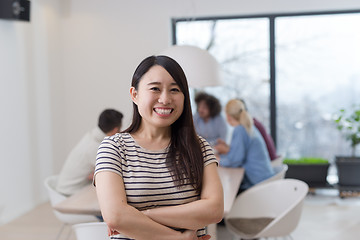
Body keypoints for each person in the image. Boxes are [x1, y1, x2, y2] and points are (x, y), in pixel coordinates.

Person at [94, 55, 224, 240]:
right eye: (155, 88)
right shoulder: (113, 147)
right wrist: (179, 238)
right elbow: (116, 216)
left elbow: (214, 210)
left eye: (174, 90)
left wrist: (144, 215)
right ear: (135, 94)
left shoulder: (200, 147)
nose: (165, 99)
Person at [56, 109, 123, 196]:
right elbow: (110, 174)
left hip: (65, 186)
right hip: (69, 193)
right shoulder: (96, 147)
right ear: (115, 129)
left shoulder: (90, 136)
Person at [214, 99, 274, 193]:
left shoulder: (240, 130)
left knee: (226, 190)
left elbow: (235, 161)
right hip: (264, 177)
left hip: (257, 182)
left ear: (228, 116)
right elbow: (238, 154)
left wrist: (217, 160)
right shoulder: (247, 126)